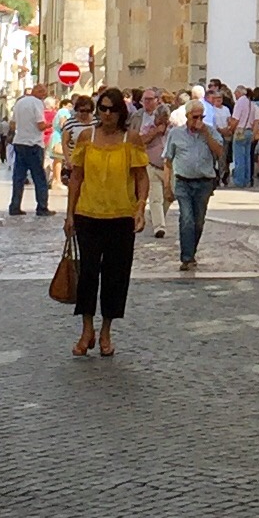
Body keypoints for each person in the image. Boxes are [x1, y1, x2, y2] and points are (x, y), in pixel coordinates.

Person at [63, 85, 148, 356]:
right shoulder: (86, 137)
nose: (107, 114)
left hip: (121, 217)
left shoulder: (131, 139)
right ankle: (86, 329)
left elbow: (141, 176)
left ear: (121, 112)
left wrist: (140, 207)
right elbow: (76, 177)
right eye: (103, 108)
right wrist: (69, 214)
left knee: (116, 277)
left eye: (112, 109)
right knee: (88, 274)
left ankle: (106, 330)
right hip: (88, 215)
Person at [164, 100, 224, 272]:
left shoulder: (210, 131)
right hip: (183, 181)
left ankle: (191, 252)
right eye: (195, 117)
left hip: (204, 182)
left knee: (198, 221)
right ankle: (186, 257)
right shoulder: (176, 134)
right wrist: (167, 186)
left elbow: (219, 152)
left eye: (201, 117)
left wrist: (206, 134)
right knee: (187, 219)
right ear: (187, 116)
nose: (198, 121)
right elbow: (168, 160)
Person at [7, 85, 50, 215]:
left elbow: (12, 124)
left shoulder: (20, 102)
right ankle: (42, 207)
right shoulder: (37, 103)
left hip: (19, 142)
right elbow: (40, 125)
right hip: (34, 143)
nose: (44, 96)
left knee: (19, 177)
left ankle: (15, 206)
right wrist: (50, 124)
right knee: (39, 177)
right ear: (39, 92)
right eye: (44, 93)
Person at [227, 84, 259, 194]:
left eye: (235, 93)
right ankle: (247, 179)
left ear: (239, 93)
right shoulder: (251, 104)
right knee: (247, 157)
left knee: (239, 157)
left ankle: (239, 181)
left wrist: (231, 128)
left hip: (240, 130)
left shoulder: (240, 102)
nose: (235, 95)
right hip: (249, 131)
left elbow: (236, 119)